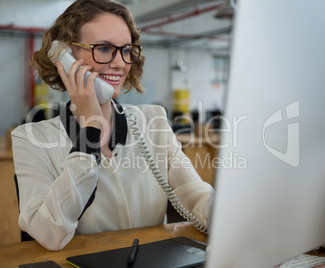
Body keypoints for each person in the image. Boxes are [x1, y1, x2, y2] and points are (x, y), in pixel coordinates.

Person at [12, 0, 214, 251]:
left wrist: (225, 213)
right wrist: (91, 131)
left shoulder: (153, 121)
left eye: (126, 50)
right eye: (105, 48)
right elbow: (49, 233)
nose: (120, 63)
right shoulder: (31, 137)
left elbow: (193, 194)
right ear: (63, 55)